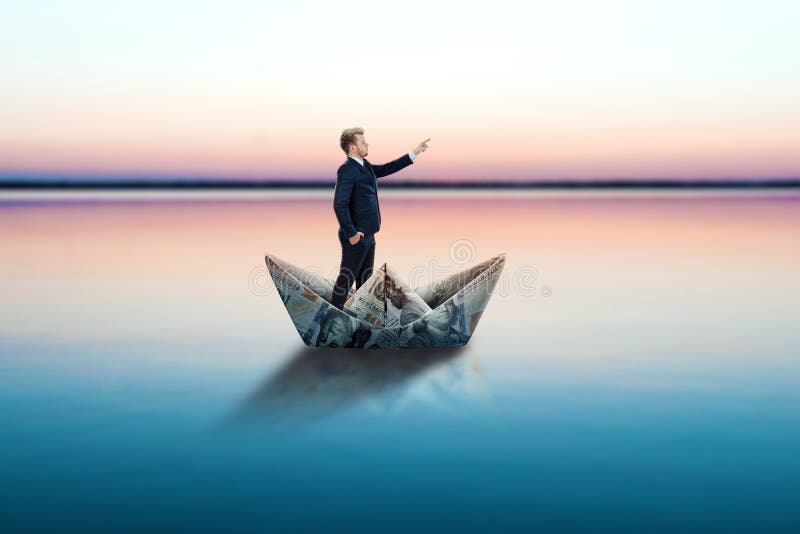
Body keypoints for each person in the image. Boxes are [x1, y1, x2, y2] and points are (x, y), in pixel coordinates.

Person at [330, 127, 430, 310]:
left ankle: (359, 318)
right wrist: (351, 233)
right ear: (352, 147)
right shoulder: (346, 170)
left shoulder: (365, 165)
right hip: (356, 237)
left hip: (368, 235)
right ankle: (331, 317)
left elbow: (386, 168)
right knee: (346, 279)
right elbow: (339, 205)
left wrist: (414, 153)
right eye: (362, 142)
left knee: (365, 283)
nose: (367, 144)